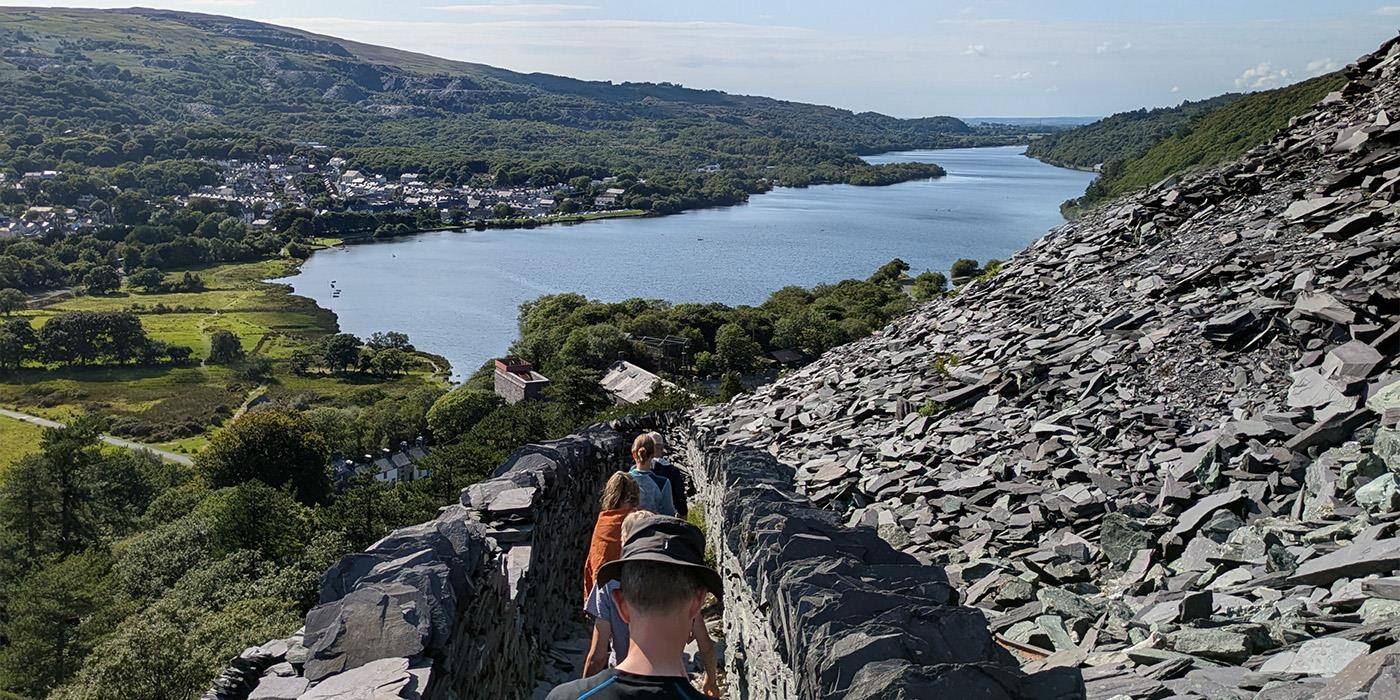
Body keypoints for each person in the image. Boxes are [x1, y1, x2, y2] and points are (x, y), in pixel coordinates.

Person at [551, 513, 722, 700]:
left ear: (621, 604)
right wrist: (711, 680)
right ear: (697, 602)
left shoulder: (565, 697)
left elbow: (598, 653)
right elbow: (706, 646)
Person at [582, 473, 640, 676]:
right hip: (635, 586)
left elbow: (595, 559)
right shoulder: (638, 522)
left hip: (606, 590)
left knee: (605, 644)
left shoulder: (604, 521)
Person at [628, 433, 675, 517]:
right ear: (653, 454)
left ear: (634, 454)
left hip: (629, 527)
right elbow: (668, 515)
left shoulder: (624, 480)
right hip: (654, 528)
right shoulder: (663, 483)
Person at [648, 432, 690, 520]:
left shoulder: (637, 470)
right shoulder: (671, 470)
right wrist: (683, 514)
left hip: (644, 516)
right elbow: (679, 496)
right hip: (667, 515)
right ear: (662, 447)